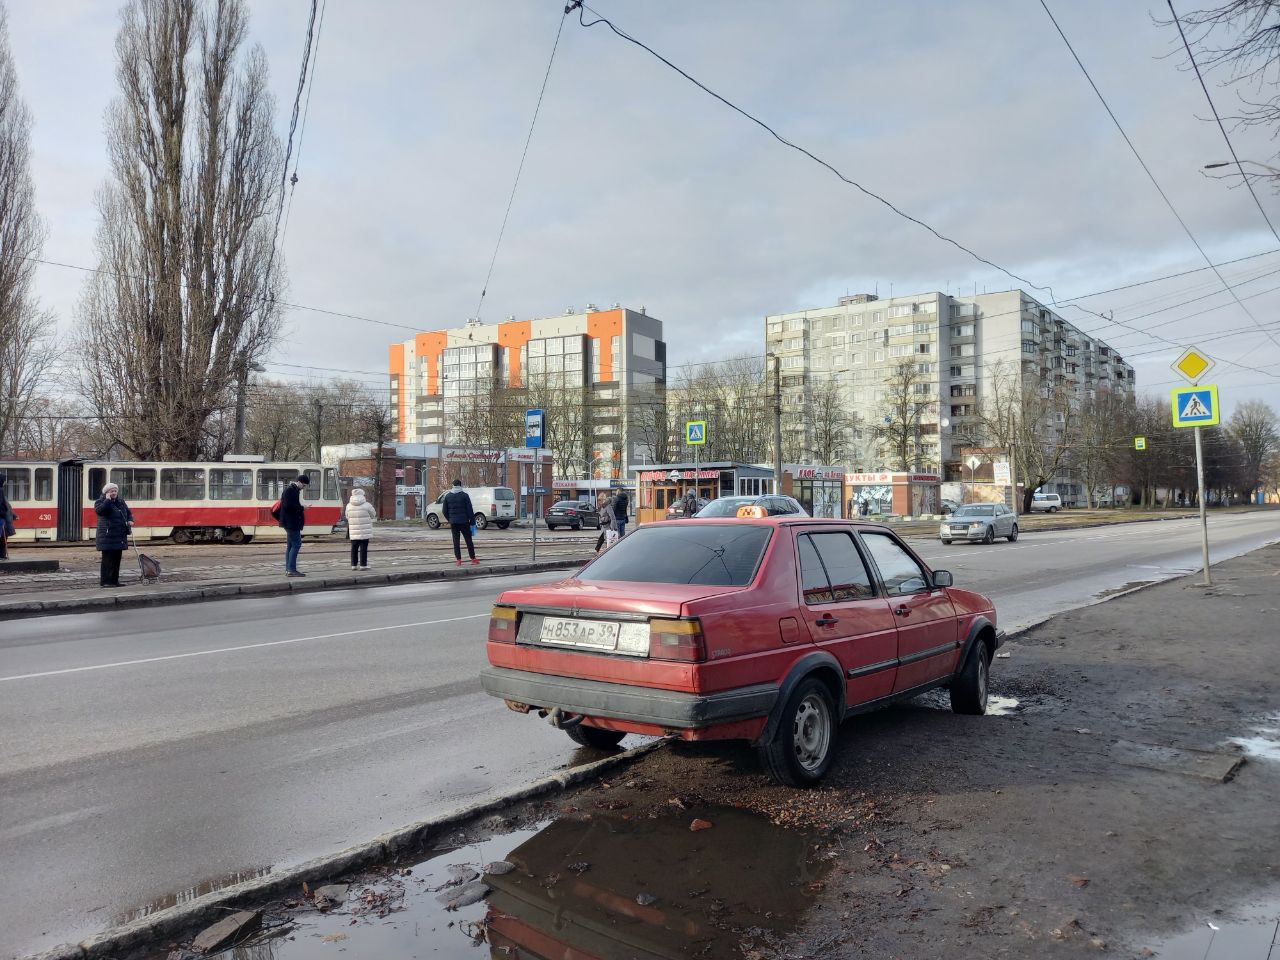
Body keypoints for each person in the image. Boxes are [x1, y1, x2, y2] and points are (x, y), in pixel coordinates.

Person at [94, 482, 134, 588]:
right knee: (107, 561)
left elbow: (128, 512)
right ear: (106, 492)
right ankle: (105, 582)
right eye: (112, 491)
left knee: (117, 560)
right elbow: (100, 511)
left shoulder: (121, 502)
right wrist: (107, 500)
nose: (114, 493)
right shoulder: (100, 502)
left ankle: (115, 581)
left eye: (115, 491)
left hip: (119, 535)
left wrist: (130, 520)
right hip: (107, 536)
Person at [443, 479, 479, 565]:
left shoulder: (448, 496)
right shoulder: (465, 496)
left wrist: (450, 519)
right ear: (460, 485)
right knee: (468, 540)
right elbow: (470, 510)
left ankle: (458, 560)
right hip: (464, 522)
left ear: (453, 485)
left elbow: (444, 510)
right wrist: (472, 522)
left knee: (456, 541)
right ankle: (473, 559)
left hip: (453, 522)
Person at [279, 474, 309, 577]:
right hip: (291, 523)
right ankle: (291, 569)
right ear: (300, 482)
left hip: (290, 522)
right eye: (304, 485)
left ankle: (289, 569)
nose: (304, 488)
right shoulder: (290, 491)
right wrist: (302, 508)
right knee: (297, 544)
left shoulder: (293, 490)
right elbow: (288, 506)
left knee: (291, 546)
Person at [345, 487, 377, 570]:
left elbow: (347, 516)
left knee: (354, 548)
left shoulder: (348, 506)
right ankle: (363, 565)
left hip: (353, 530)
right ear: (363, 495)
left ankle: (354, 565)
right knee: (363, 548)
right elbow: (373, 514)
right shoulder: (367, 505)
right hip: (365, 530)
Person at [0, 475, 15, 560]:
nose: (5, 482)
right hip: (2, 518)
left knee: (2, 537)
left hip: (3, 517)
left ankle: (2, 555)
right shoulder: (0, 490)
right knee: (2, 538)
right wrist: (3, 514)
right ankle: (2, 555)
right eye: (4, 480)